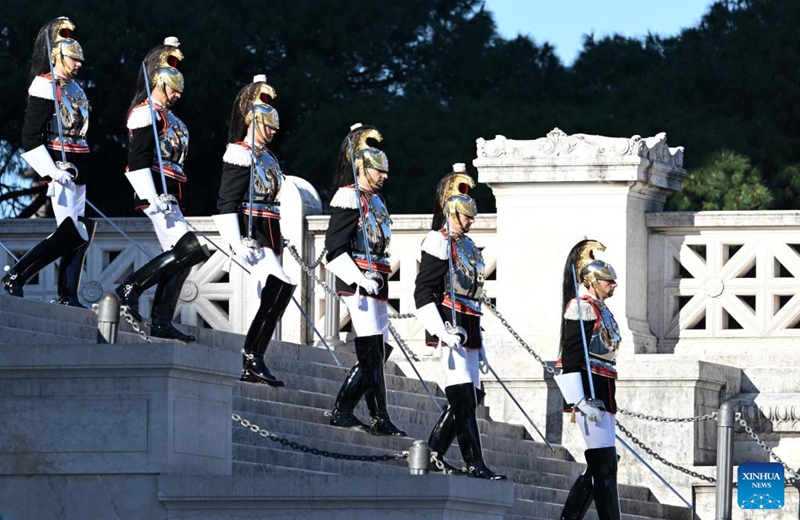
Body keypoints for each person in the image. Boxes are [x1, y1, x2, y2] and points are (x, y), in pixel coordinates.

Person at [413, 164, 506, 481]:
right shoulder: (438, 241)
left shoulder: (467, 245)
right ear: (452, 209)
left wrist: (479, 345)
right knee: (463, 398)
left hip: (470, 325)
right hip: (450, 324)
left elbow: (474, 296)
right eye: (467, 213)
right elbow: (423, 292)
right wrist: (440, 330)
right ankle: (473, 461)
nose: (472, 219)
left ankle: (433, 454)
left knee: (472, 398)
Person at [115, 37, 210, 342]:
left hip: (172, 195)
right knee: (191, 249)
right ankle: (130, 288)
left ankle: (161, 320)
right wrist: (152, 197)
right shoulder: (145, 113)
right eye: (174, 85)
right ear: (159, 80)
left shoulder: (171, 119)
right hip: (156, 193)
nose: (179, 93)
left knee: (183, 255)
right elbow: (137, 160)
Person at [3, 17, 96, 306]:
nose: (78, 63)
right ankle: (16, 275)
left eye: (80, 58)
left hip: (79, 161)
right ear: (57, 56)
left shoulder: (75, 89)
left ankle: (68, 293)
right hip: (60, 162)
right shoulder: (45, 85)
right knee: (68, 230)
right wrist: (51, 170)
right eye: (73, 58)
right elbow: (30, 135)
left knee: (81, 229)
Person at [323, 123, 406, 437]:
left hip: (378, 281)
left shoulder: (377, 201)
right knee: (371, 348)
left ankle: (344, 409)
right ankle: (378, 417)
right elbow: (334, 250)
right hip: (358, 280)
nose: (384, 176)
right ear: (362, 167)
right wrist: (358, 278)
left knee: (380, 350)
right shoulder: (349, 197)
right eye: (378, 170)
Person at [212, 75, 295, 387]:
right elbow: (226, 201)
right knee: (280, 285)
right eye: (268, 124)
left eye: (275, 125)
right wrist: (235, 241)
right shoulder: (239, 152)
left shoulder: (269, 158)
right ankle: (251, 355)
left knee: (279, 288)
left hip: (269, 231)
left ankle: (255, 357)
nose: (273, 131)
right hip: (252, 233)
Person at [554, 239, 621, 519]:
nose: (614, 284)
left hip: (604, 387)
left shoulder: (602, 309)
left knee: (604, 462)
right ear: (592, 281)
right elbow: (570, 356)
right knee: (603, 461)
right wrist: (579, 400)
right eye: (608, 280)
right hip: (588, 388)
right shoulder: (581, 307)